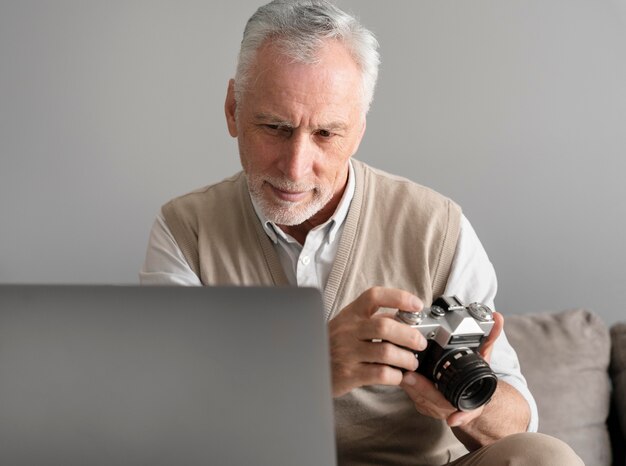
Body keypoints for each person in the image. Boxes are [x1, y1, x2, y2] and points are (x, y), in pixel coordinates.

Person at [140, 1, 583, 464]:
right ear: (233, 110)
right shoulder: (185, 231)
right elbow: (174, 420)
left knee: (543, 456)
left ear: (358, 131)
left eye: (327, 134)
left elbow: (517, 423)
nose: (296, 167)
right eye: (275, 127)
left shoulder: (435, 226)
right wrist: (312, 369)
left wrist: (468, 403)